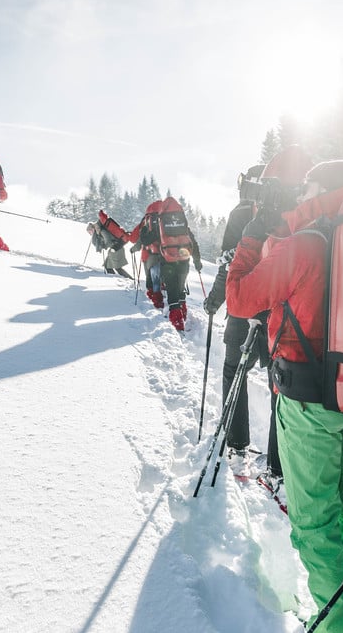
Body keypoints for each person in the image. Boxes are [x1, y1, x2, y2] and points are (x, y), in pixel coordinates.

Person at [227, 160, 343, 633]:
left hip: (307, 409)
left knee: (317, 528)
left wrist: (249, 237)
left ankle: (335, 628)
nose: (299, 193)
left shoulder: (306, 243)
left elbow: (240, 299)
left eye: (306, 186)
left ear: (323, 189)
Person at [204, 163, 276, 469]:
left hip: (243, 306)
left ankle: (235, 444)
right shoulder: (291, 214)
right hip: (279, 310)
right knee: (281, 383)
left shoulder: (241, 214)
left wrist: (214, 301)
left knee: (234, 370)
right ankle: (279, 462)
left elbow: (228, 265)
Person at [109, 196, 202, 331]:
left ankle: (177, 324)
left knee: (171, 292)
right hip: (184, 261)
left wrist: (145, 232)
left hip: (167, 261)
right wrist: (197, 261)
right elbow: (192, 242)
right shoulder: (180, 222)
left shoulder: (158, 222)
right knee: (180, 288)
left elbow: (146, 240)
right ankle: (184, 316)